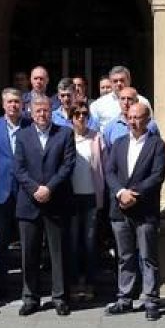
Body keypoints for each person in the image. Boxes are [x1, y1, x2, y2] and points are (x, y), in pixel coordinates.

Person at [103, 102, 165, 320]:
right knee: (125, 256)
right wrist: (121, 192)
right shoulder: (119, 143)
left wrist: (134, 194)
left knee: (148, 256)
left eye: (137, 117)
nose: (133, 121)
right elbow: (110, 172)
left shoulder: (157, 145)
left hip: (144, 210)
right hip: (120, 209)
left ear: (147, 119)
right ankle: (125, 298)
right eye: (129, 117)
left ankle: (151, 300)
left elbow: (157, 176)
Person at [13, 94, 76, 316]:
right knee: (29, 253)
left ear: (52, 111)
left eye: (46, 110)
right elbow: (18, 168)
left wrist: (49, 188)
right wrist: (35, 189)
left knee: (58, 253)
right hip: (29, 202)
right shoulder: (22, 136)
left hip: (56, 200)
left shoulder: (65, 133)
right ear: (30, 112)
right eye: (38, 110)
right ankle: (30, 298)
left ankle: (60, 297)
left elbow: (68, 165)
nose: (42, 114)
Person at [0, 88, 29, 301]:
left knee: (28, 242)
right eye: (9, 102)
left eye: (17, 101)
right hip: (0, 193)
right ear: (3, 105)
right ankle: (1, 287)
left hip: (26, 192)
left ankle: (29, 288)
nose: (13, 105)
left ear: (22, 104)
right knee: (0, 243)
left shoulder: (30, 125)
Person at [66, 102, 104, 301]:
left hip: (91, 196)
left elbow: (104, 164)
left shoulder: (97, 137)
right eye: (77, 114)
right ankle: (73, 283)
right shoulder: (65, 136)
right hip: (71, 197)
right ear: (71, 117)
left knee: (89, 242)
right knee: (72, 243)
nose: (81, 117)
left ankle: (89, 283)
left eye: (84, 114)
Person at [90, 66, 150, 132]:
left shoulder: (143, 102)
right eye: (115, 81)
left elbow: (151, 127)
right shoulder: (98, 104)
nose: (119, 84)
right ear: (111, 83)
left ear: (129, 81)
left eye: (122, 80)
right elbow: (93, 131)